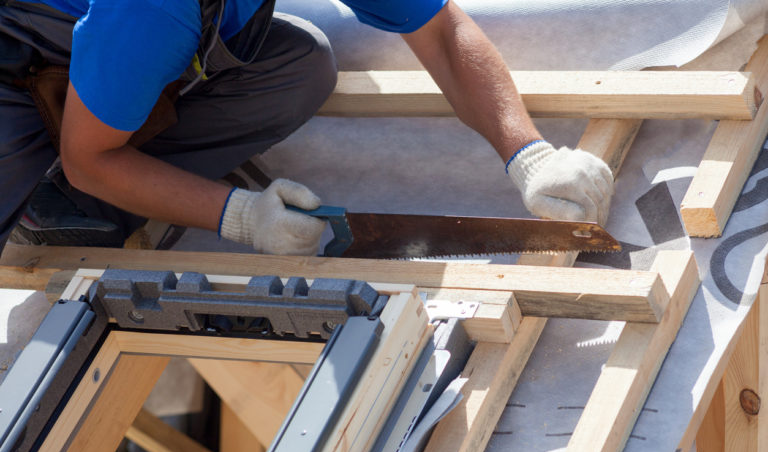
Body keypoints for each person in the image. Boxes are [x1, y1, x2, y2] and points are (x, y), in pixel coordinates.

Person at [0, 0, 614, 256]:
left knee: (301, 64)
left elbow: (442, 31)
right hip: (21, 62)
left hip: (125, 48)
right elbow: (88, 157)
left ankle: (90, 202)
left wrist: (529, 154)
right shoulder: (151, 11)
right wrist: (241, 217)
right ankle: (48, 209)